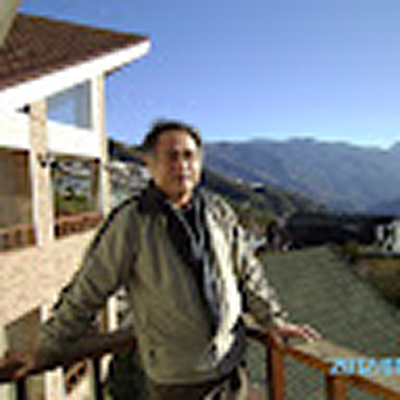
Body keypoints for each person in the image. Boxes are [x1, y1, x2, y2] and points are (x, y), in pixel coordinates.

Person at [3, 120, 319, 399]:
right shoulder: (132, 222)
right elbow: (87, 291)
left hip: (231, 368)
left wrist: (273, 320)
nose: (182, 165)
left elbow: (249, 274)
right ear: (150, 163)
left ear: (199, 163)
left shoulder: (217, 212)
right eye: (171, 156)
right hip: (177, 381)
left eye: (189, 156)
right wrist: (46, 349)